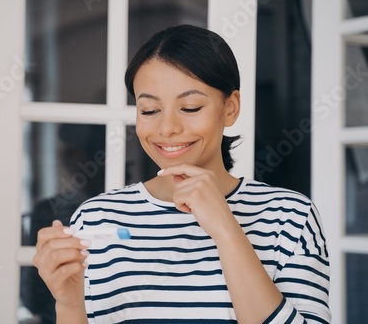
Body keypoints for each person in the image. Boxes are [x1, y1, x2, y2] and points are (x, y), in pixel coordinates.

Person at [32, 24, 331, 323]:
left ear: (231, 107)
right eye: (149, 110)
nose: (167, 128)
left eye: (189, 107)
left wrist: (226, 229)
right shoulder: (97, 219)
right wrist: (70, 306)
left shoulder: (291, 218)